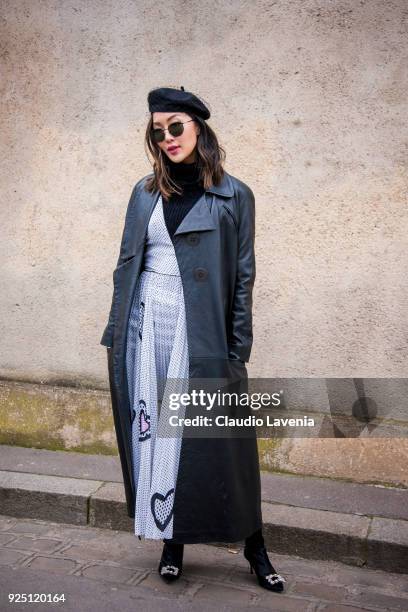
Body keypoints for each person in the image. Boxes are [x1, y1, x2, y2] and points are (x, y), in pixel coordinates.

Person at [100, 86, 286, 592]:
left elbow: (243, 277)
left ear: (199, 128)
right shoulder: (144, 192)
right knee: (159, 435)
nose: (167, 139)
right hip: (145, 329)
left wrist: (236, 349)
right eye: (157, 131)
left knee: (225, 443)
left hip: (198, 330)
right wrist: (116, 331)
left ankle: (255, 547)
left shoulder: (234, 195)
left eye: (175, 127)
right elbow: (126, 263)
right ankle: (171, 542)